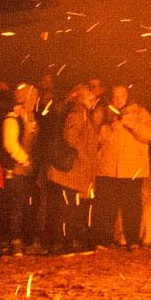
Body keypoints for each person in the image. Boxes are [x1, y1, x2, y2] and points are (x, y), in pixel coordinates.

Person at [95, 83, 151, 249]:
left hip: (132, 169)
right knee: (106, 206)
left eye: (121, 96)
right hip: (107, 169)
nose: (118, 100)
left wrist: (131, 124)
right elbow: (94, 140)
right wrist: (108, 129)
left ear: (127, 96)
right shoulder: (102, 113)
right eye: (115, 96)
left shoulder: (139, 112)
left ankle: (133, 240)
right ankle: (103, 240)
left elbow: (150, 134)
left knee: (132, 206)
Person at [44, 79, 104, 251]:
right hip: (69, 170)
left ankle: (66, 240)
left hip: (71, 170)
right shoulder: (79, 112)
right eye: (91, 99)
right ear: (81, 98)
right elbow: (71, 137)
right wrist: (84, 155)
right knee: (67, 207)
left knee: (68, 206)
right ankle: (62, 242)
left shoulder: (81, 112)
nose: (94, 103)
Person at [0, 83, 41, 256]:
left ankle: (25, 239)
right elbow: (10, 143)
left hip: (29, 171)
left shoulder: (30, 118)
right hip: (17, 170)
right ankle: (14, 241)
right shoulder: (12, 119)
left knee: (25, 206)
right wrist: (25, 160)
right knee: (15, 207)